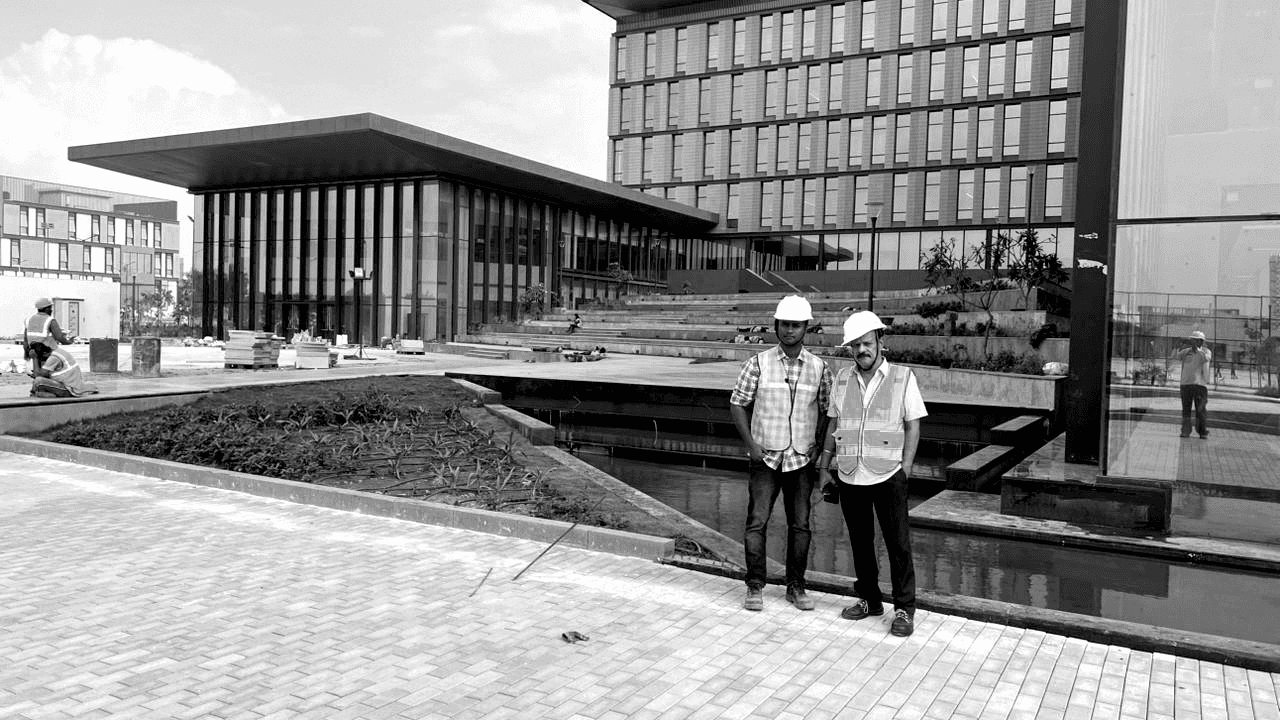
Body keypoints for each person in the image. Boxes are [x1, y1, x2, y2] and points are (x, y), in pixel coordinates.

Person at [818, 311, 927, 637]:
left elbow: (913, 426)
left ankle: (904, 609)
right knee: (860, 543)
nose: (861, 350)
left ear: (880, 340)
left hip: (888, 474)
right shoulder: (842, 379)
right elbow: (833, 423)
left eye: (866, 343)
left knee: (899, 546)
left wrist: (905, 469)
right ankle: (869, 600)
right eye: (855, 345)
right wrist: (824, 467)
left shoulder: (902, 377)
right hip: (850, 474)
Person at [729, 295, 832, 612]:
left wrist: (818, 445)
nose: (790, 330)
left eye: (796, 325)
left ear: (805, 328)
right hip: (766, 458)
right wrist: (751, 445)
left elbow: (828, 411)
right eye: (785, 324)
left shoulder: (819, 368)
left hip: (801, 459)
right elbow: (737, 403)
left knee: (800, 525)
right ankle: (754, 585)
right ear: (776, 326)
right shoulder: (757, 363)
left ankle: (796, 586)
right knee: (756, 522)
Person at [1175, 330, 1212, 439]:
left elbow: (1206, 359)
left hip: (1200, 385)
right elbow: (1177, 356)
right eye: (1192, 340)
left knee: (1200, 410)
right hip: (1185, 384)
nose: (1193, 342)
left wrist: (1198, 350)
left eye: (1196, 340)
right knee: (1186, 409)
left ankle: (1202, 431)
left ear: (1201, 341)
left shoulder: (1206, 351)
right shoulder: (1186, 351)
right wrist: (1178, 347)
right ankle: (1185, 431)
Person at [23, 297, 72, 371]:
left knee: (38, 370)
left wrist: (26, 352)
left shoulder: (28, 319)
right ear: (46, 308)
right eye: (50, 308)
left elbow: (25, 338)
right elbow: (59, 337)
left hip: (34, 351)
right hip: (48, 351)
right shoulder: (50, 320)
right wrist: (69, 342)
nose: (51, 310)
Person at [31, 345, 97, 398]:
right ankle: (42, 394)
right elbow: (46, 374)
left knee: (38, 381)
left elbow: (37, 375)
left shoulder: (53, 358)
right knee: (39, 385)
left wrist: (34, 358)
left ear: (44, 353)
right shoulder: (58, 352)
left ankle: (41, 394)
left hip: (69, 389)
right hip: (72, 385)